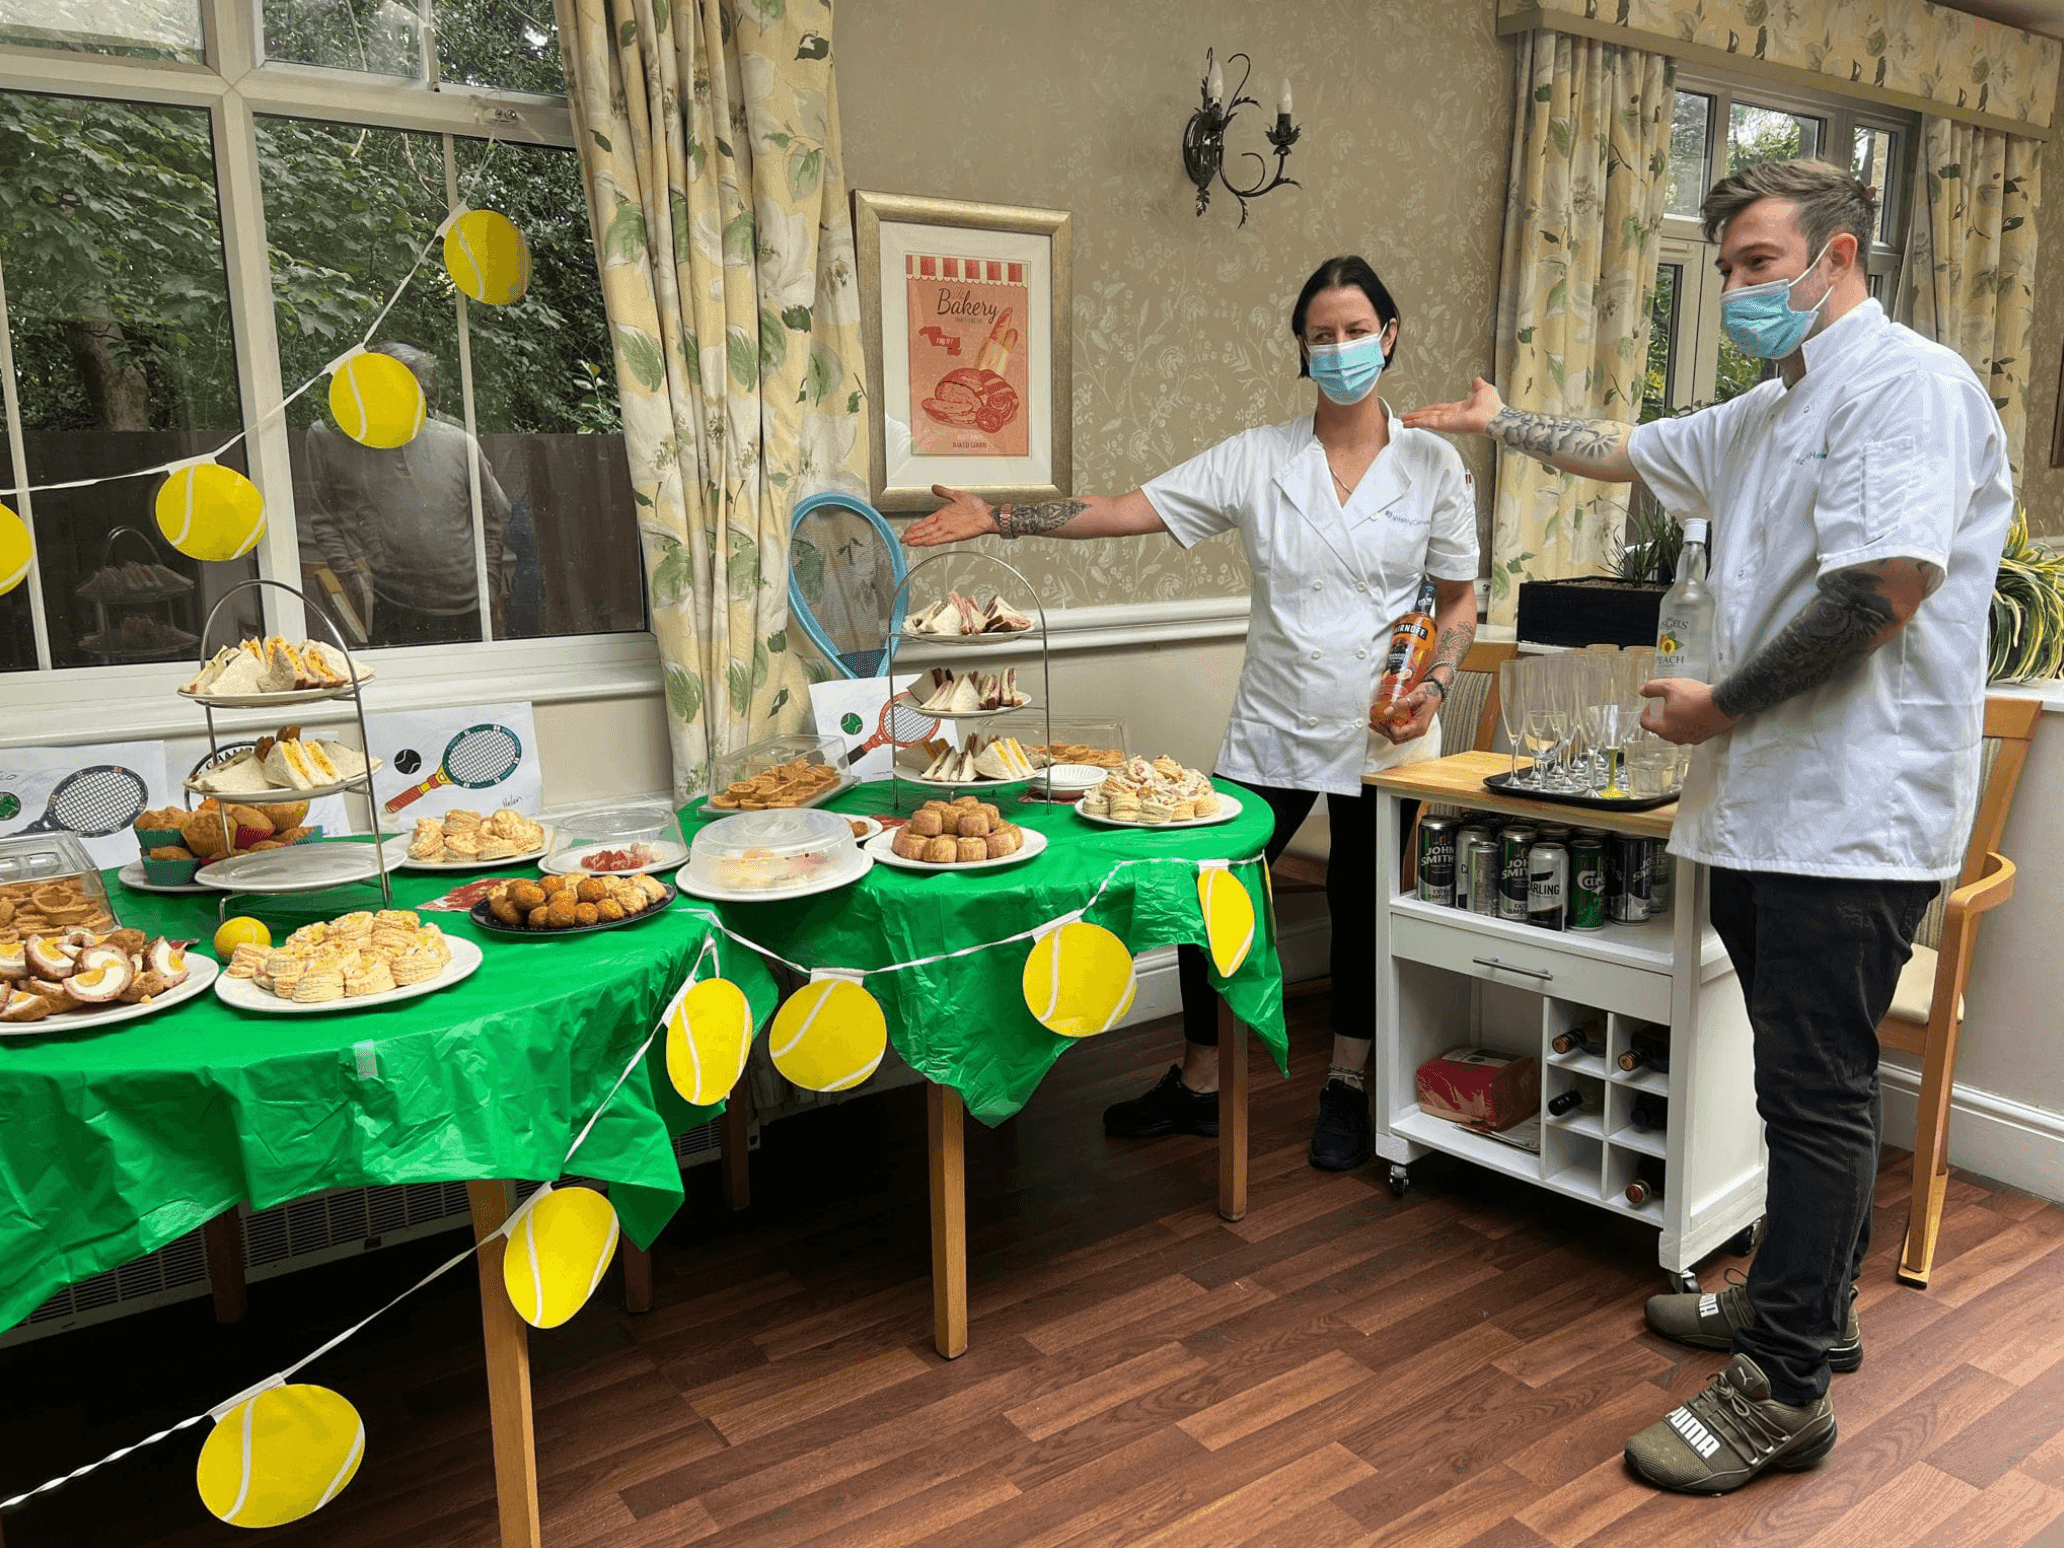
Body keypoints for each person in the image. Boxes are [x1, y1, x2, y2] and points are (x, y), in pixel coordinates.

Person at [1406, 160, 2012, 1494]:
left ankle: (1787, 1388)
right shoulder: (1769, 410)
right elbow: (1623, 449)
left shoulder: (1904, 385)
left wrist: (1721, 707)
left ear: (1834, 258)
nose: (1736, 288)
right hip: (1764, 810)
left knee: (1817, 1093)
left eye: (1753, 264)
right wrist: (1510, 424)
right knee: (1790, 1084)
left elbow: (1881, 593)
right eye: (1727, 265)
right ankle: (1811, 1307)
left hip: (1849, 813)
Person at [905, 255, 1479, 1171]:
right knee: (1209, 888)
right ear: (1301, 346)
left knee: (1361, 901)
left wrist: (1438, 685)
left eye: (1356, 331)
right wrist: (999, 518)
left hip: (1387, 727)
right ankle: (1203, 1080)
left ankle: (1348, 1083)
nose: (1340, 349)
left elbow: (1458, 600)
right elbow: (1129, 507)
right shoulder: (1259, 455)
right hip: (1276, 716)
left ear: (1391, 336)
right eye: (1322, 334)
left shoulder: (1432, 463)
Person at [302, 340, 514, 646]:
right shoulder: (329, 439)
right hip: (389, 607)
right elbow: (325, 519)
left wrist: (489, 588)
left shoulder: (455, 441)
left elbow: (495, 515)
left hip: (467, 607)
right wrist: (354, 581)